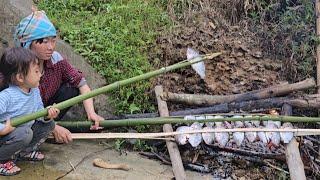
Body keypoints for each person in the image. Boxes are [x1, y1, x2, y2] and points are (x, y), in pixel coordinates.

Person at [14, 10, 104, 144]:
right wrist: (53, 127)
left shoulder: (56, 59)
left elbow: (82, 84)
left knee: (71, 88)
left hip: (50, 113)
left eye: (53, 41)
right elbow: (18, 110)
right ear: (28, 44)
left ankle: (49, 130)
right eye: (44, 42)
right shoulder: (18, 69)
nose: (50, 47)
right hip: (26, 120)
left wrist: (91, 113)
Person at [0, 47, 60, 176]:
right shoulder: (6, 96)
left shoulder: (34, 91)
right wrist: (2, 129)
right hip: (5, 137)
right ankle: (2, 160)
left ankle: (24, 151)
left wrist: (47, 115)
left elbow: (38, 113)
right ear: (20, 77)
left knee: (49, 125)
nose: (40, 74)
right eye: (36, 71)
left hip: (22, 133)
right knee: (25, 132)